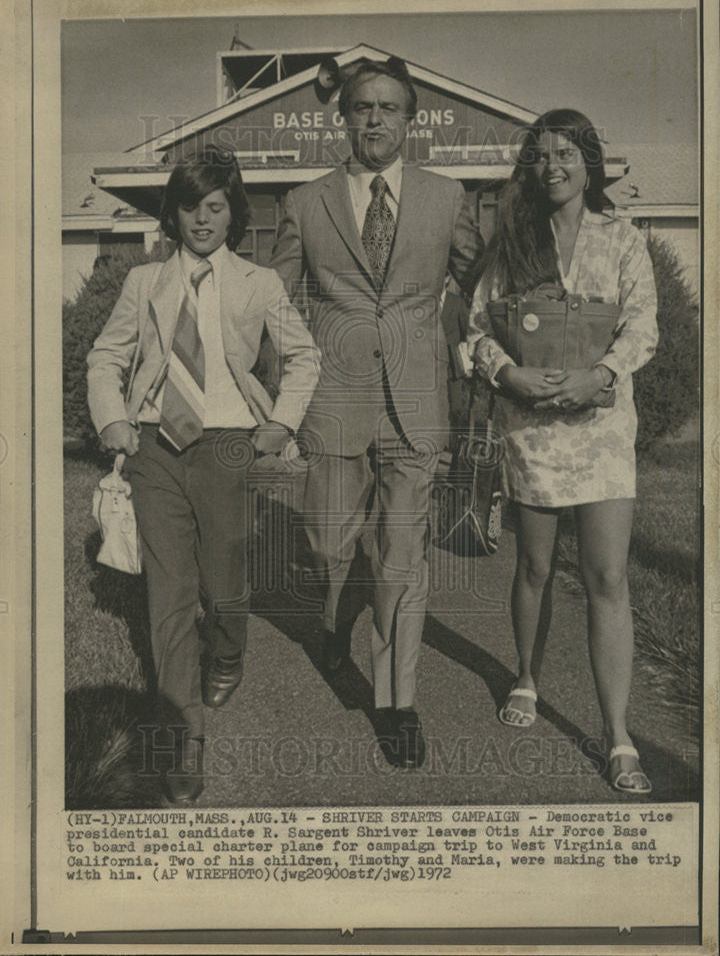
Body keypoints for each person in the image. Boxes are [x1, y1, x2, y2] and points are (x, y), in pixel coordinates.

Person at [87, 148, 320, 803]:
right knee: (168, 598)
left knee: (224, 582)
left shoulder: (259, 284)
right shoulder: (144, 283)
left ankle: (227, 649)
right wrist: (113, 421)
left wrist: (281, 423)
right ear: (174, 211)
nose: (201, 219)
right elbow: (105, 360)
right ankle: (182, 747)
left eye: (215, 206)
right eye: (190, 206)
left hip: (227, 447)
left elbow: (303, 357)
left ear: (234, 213)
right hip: (158, 447)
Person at [270, 57, 483, 769]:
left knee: (402, 561)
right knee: (330, 548)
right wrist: (274, 401)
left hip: (415, 403)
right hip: (333, 401)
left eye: (390, 108)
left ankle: (397, 703)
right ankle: (335, 618)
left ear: (409, 118)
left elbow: (484, 288)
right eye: (363, 107)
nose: (375, 120)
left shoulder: (449, 198)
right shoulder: (305, 202)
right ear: (345, 116)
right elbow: (273, 306)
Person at [467, 108, 658, 794]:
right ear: (531, 167)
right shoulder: (513, 241)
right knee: (535, 567)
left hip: (602, 430)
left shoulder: (621, 236)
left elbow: (643, 327)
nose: (554, 165)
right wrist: (506, 372)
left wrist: (599, 375)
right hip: (533, 430)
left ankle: (617, 734)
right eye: (542, 155)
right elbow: (473, 331)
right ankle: (526, 676)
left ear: (589, 162)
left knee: (607, 579)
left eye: (567, 153)